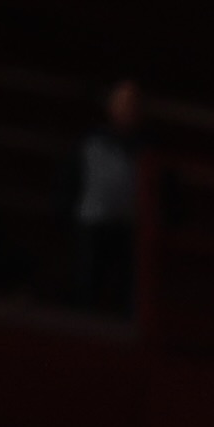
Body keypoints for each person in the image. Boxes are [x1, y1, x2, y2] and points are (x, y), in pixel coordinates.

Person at [67, 78, 142, 310]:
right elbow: (72, 179)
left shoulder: (144, 148)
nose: (126, 108)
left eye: (132, 103)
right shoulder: (92, 142)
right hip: (93, 225)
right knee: (88, 285)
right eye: (121, 102)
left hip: (129, 228)